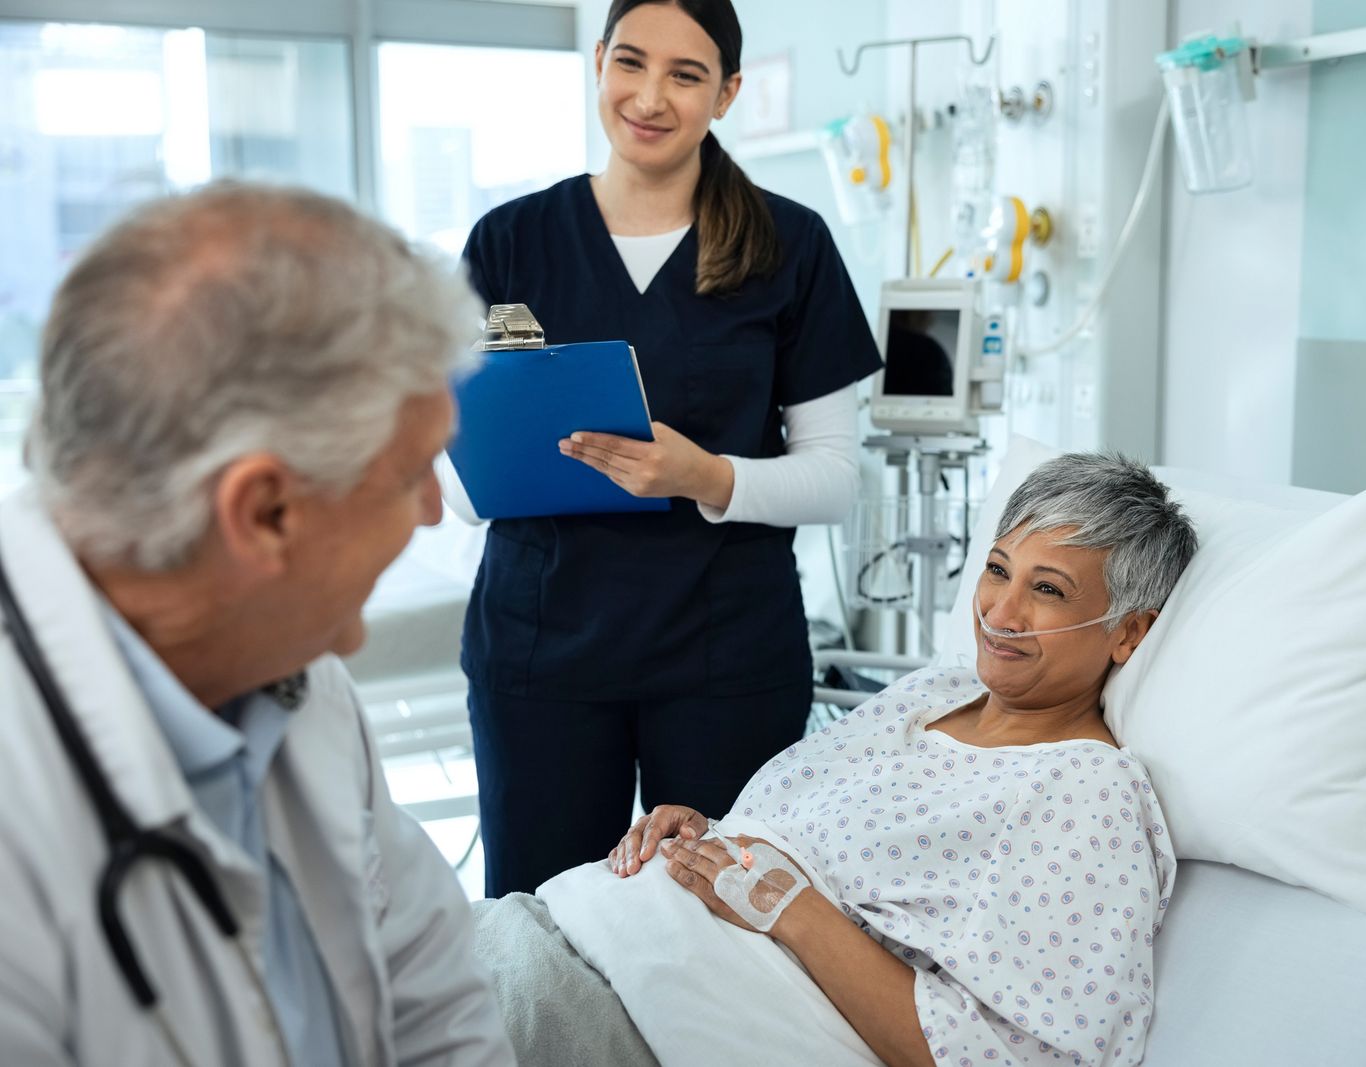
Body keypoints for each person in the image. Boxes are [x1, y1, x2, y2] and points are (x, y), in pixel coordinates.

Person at [0, 183, 515, 1065]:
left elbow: (436, 997)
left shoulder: (293, 673)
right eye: (410, 474)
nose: (435, 509)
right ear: (266, 513)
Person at [472, 453, 1198, 1067]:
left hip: (650, 1016)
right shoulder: (934, 694)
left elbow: (1021, 1053)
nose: (1000, 612)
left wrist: (790, 908)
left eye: (1047, 590)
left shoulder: (1085, 790)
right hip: (579, 928)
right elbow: (798, 846)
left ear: (1128, 632)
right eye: (998, 570)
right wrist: (708, 838)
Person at [454, 0, 882, 897]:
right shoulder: (509, 241)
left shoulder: (788, 244)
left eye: (686, 75)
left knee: (724, 925)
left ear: (725, 93)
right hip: (543, 653)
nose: (650, 97)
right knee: (544, 926)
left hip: (724, 656)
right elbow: (454, 469)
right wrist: (485, 455)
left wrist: (705, 475)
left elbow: (837, 479)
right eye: (632, 64)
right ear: (600, 61)